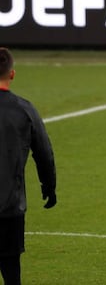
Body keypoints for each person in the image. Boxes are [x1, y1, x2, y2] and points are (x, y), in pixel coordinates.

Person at [0, 47, 57, 285]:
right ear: (12, 74)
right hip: (9, 207)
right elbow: (43, 152)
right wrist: (49, 186)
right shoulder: (24, 109)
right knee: (12, 271)